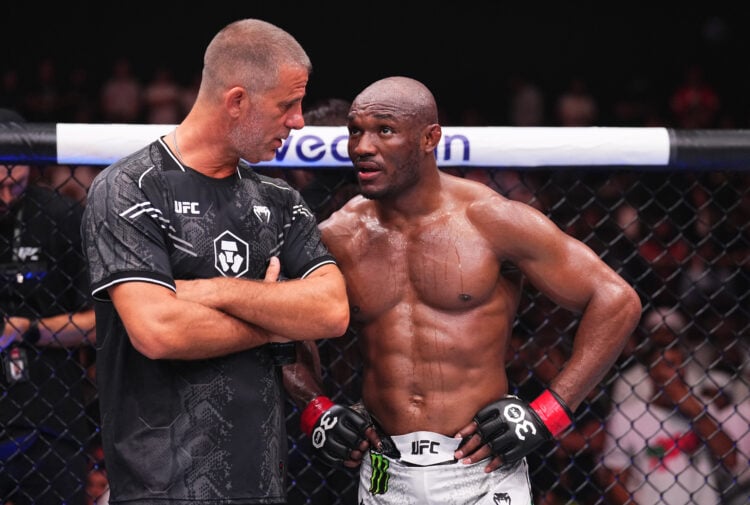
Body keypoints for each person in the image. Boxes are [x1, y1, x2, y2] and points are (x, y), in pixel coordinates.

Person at [301, 76, 642, 504]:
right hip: (384, 469)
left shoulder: (490, 220)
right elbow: (278, 332)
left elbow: (616, 300)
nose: (362, 146)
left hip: (482, 471)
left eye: (384, 130)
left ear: (430, 138)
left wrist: (547, 414)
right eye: (355, 130)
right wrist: (316, 409)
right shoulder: (340, 234)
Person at [80, 19, 349, 504]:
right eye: (287, 104)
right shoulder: (130, 187)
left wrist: (216, 291)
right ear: (237, 101)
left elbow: (331, 310)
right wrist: (276, 320)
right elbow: (160, 331)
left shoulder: (279, 199)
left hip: (262, 487)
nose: (299, 121)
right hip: (157, 488)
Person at [0, 108, 96, 505]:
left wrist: (25, 328)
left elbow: (100, 322)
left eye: (15, 182)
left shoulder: (61, 216)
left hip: (48, 419)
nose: (6, 194)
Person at [599, 327, 737, 504]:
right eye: (669, 365)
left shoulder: (703, 408)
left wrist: (695, 411)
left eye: (681, 364)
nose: (678, 371)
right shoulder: (627, 417)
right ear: (651, 373)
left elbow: (731, 459)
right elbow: (615, 482)